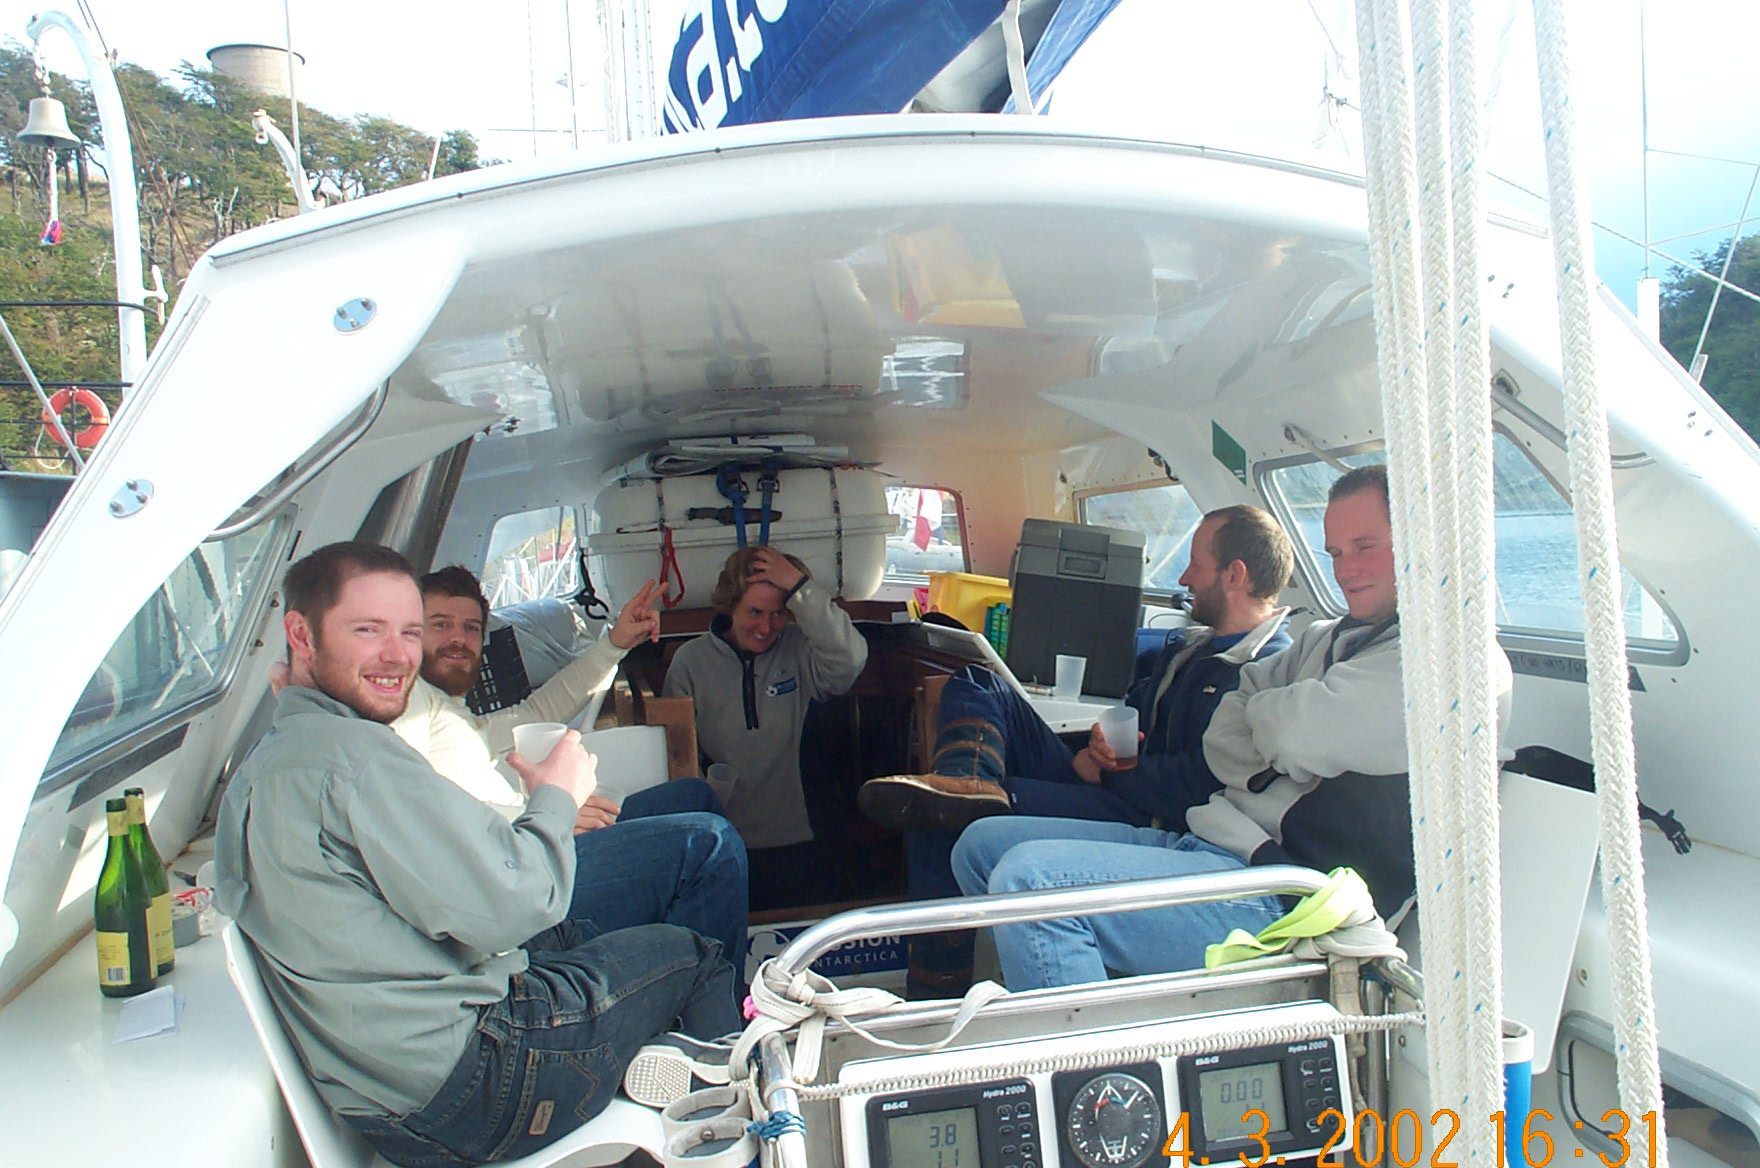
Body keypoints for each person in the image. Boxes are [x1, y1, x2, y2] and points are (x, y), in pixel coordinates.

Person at [215, 542, 740, 1168]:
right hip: (481, 1085)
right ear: (301, 634)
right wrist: (553, 802)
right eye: (368, 630)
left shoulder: (272, 760)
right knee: (694, 957)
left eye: (408, 632)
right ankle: (715, 1137)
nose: (397, 654)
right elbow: (521, 904)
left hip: (385, 1096)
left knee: (595, 933)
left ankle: (645, 1057)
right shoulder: (357, 759)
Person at [952, 465, 1513, 990]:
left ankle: (1100, 1074)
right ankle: (1105, 989)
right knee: (977, 844)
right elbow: (1227, 732)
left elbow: (1294, 737)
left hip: (1292, 897)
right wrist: (1281, 723)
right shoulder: (1325, 639)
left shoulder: (1451, 659)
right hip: (1212, 842)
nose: (1345, 570)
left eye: (1365, 547)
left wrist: (1274, 725)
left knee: (1031, 881)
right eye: (1336, 553)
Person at [857, 505, 1294, 996]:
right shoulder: (1190, 647)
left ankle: (936, 992)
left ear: (1234, 575)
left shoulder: (1264, 670)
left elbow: (1201, 786)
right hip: (1114, 778)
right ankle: (966, 778)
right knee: (981, 683)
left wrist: (1109, 771)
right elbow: (1133, 716)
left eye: (1196, 564)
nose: (1186, 577)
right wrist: (1099, 747)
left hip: (1146, 812)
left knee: (944, 823)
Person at [398, 566, 750, 980]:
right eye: (441, 625)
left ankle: (681, 972)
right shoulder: (405, 706)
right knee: (710, 843)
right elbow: (416, 816)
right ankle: (705, 1011)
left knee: (693, 796)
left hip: (530, 846)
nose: (459, 638)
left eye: (471, 627)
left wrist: (614, 645)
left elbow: (533, 714)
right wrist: (546, 812)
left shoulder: (444, 707)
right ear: (410, 631)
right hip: (515, 889)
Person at [662, 545, 868, 910]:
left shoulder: (804, 650)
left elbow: (849, 659)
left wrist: (800, 587)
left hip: (806, 841)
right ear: (730, 608)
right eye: (754, 612)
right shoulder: (690, 662)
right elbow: (673, 757)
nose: (765, 627)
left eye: (779, 614)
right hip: (725, 845)